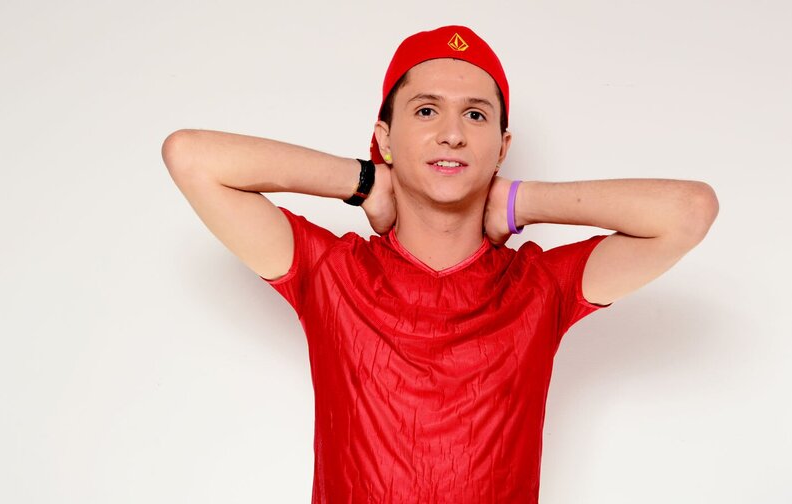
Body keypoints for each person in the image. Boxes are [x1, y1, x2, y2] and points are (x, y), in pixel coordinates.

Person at [161, 24, 718, 504]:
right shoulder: (329, 273)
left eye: (475, 115)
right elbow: (190, 155)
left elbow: (690, 211)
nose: (452, 133)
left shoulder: (539, 287)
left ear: (502, 147)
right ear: (385, 137)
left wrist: (521, 200)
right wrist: (364, 181)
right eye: (426, 110)